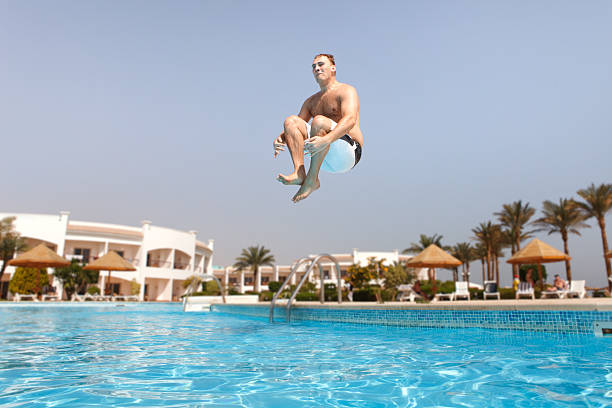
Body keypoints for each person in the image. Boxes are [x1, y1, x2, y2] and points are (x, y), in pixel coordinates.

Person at [274, 53, 363, 203]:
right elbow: (295, 129)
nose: (317, 68)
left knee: (319, 121)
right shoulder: (311, 101)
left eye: (321, 64)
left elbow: (350, 120)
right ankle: (299, 173)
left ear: (333, 68)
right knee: (290, 121)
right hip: (323, 156)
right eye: (314, 66)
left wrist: (326, 139)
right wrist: (281, 138)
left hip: (348, 153)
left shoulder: (346, 90)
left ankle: (312, 179)